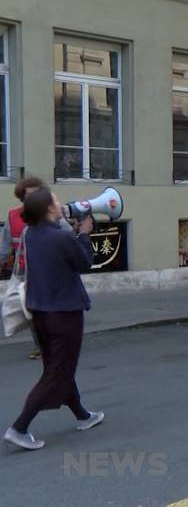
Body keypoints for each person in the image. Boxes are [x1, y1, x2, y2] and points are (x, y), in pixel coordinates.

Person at [4, 187, 104, 450]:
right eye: (56, 201)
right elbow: (84, 262)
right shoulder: (61, 237)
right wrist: (83, 233)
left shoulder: (32, 234)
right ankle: (19, 427)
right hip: (65, 314)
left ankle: (82, 415)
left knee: (58, 368)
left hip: (41, 313)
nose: (61, 203)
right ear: (49, 208)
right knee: (56, 373)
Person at [0, 176, 47, 360]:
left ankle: (49, 345)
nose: (35, 200)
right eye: (30, 196)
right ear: (22, 197)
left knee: (44, 311)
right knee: (30, 312)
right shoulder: (12, 216)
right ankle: (42, 345)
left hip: (47, 272)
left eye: (38, 195)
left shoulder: (50, 214)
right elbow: (4, 250)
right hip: (23, 274)